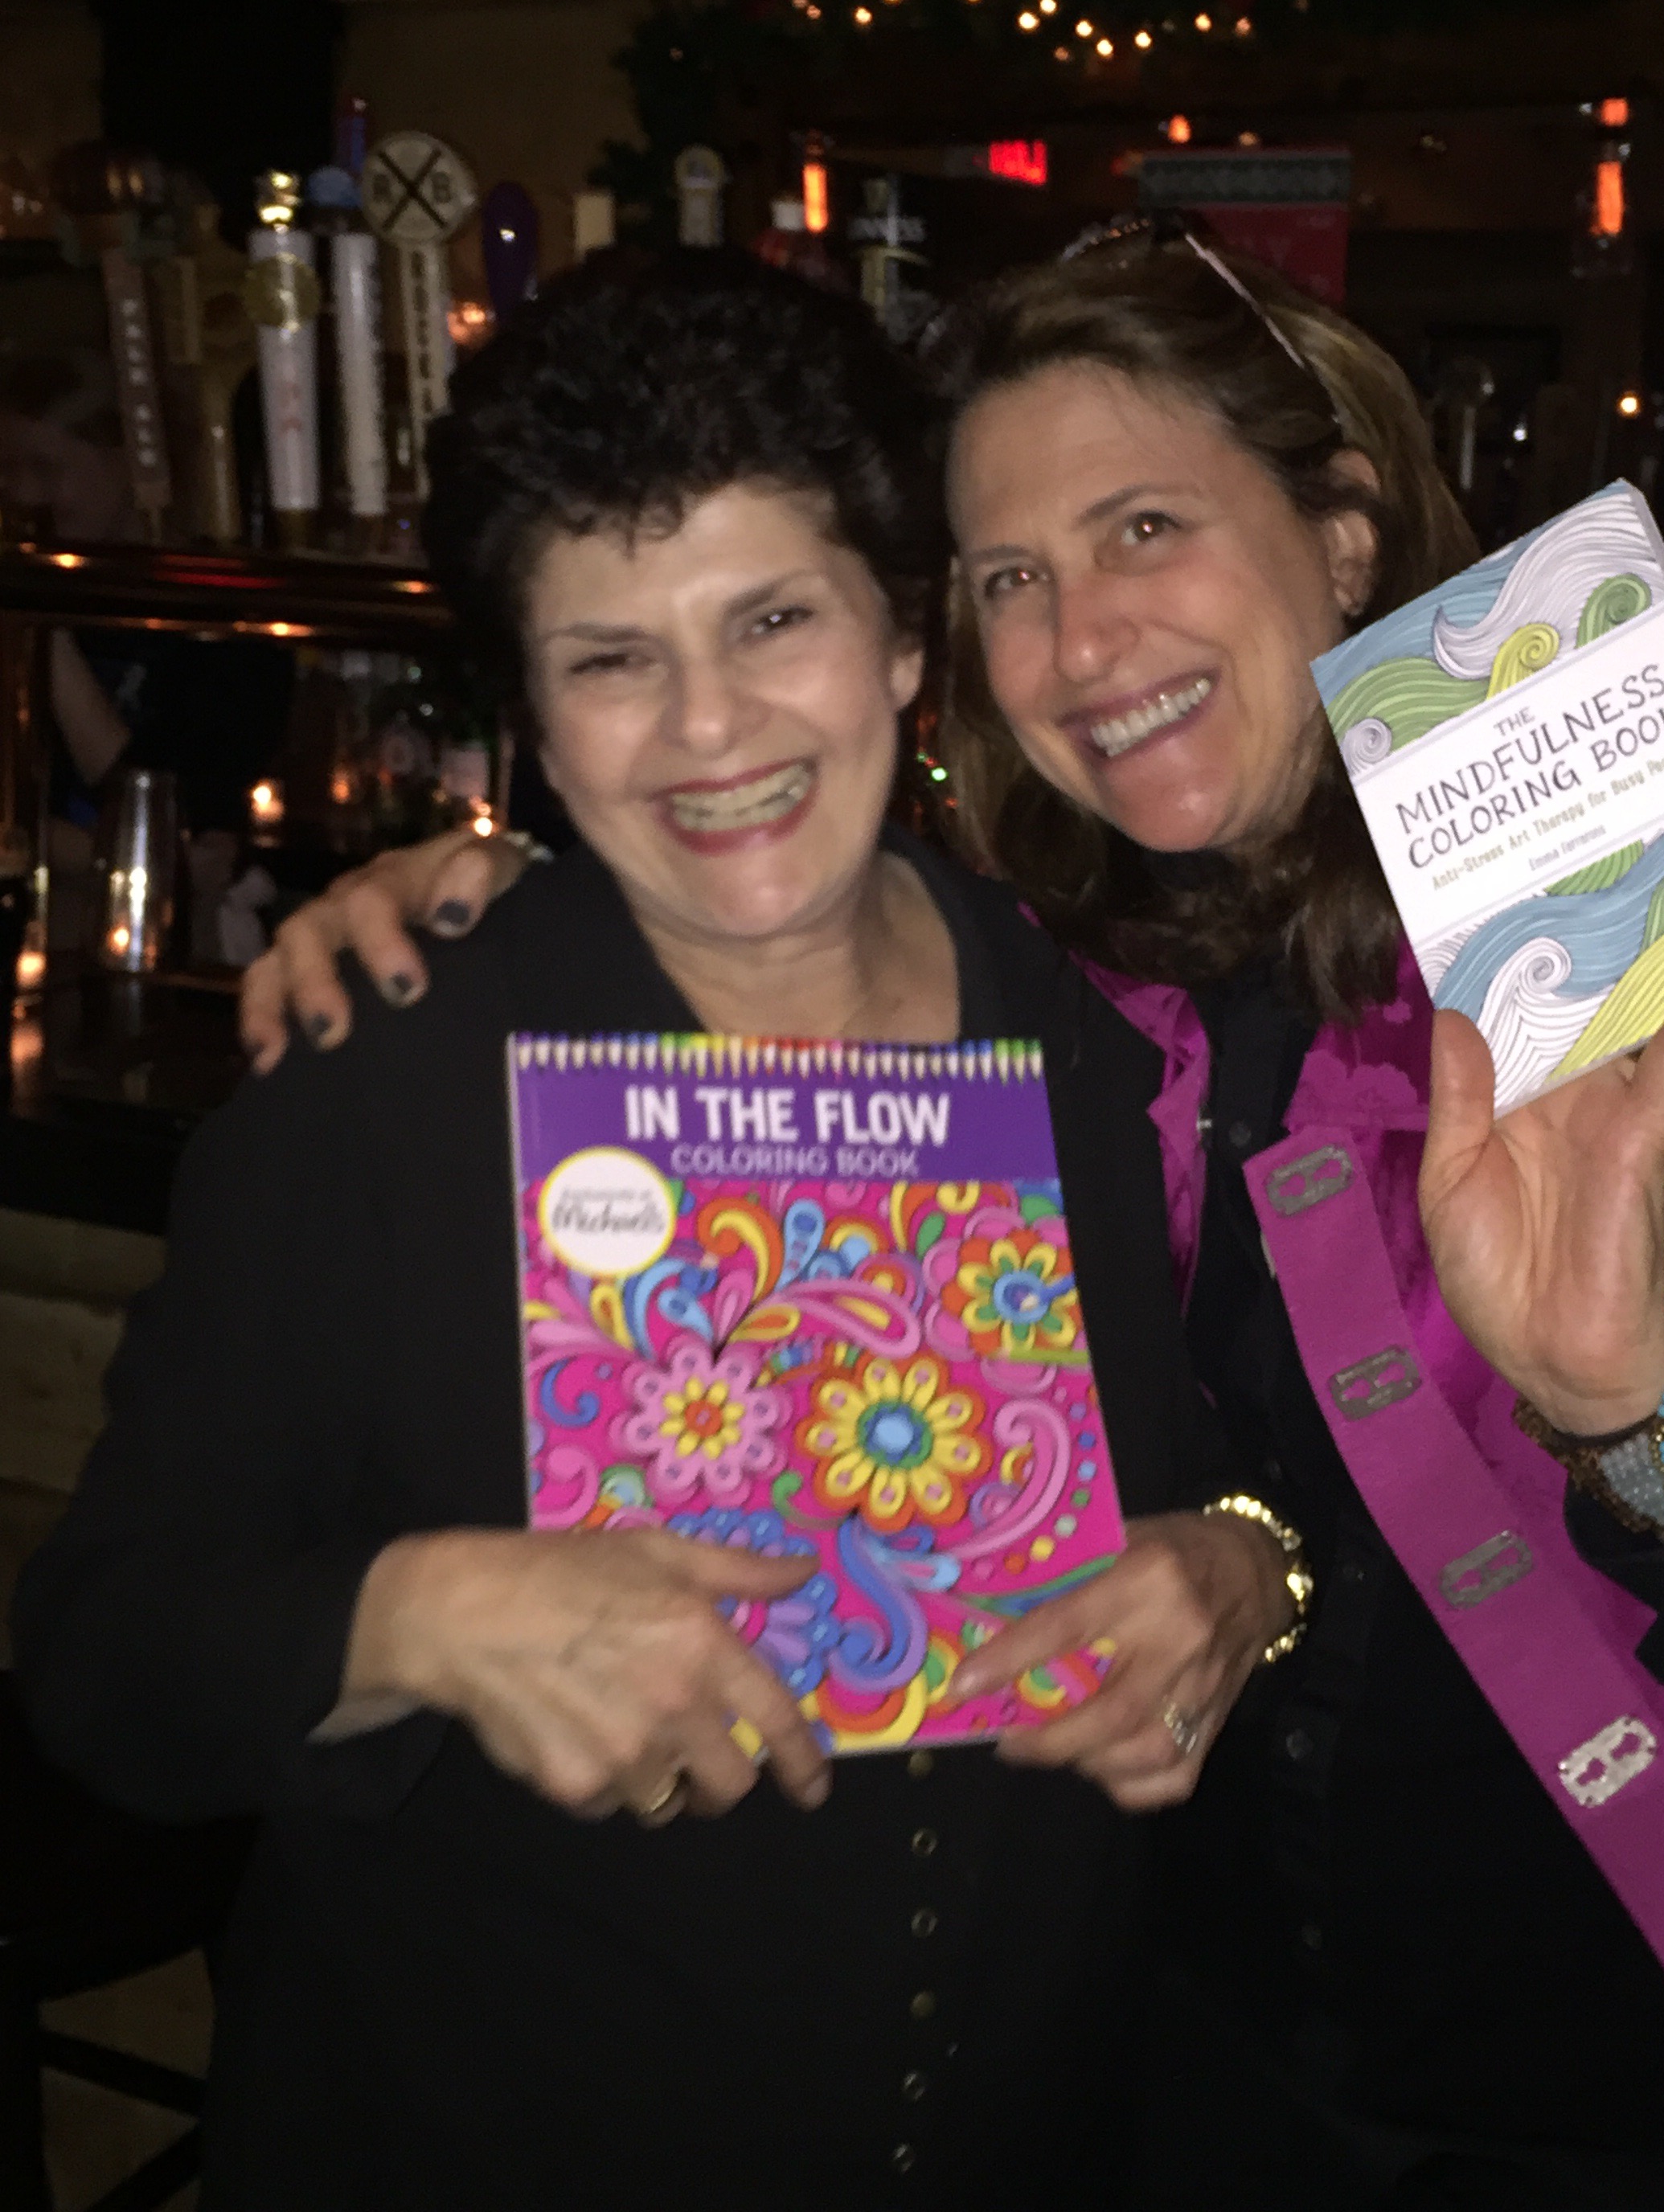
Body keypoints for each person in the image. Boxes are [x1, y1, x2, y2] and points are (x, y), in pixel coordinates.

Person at [232, 236, 1664, 2210]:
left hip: (1645, 2080)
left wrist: (1643, 1404)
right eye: (1007, 579)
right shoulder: (1035, 978)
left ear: (1341, 530)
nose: (1079, 641)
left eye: (1145, 526)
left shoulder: (1634, 896)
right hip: (1183, 2074)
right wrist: (487, 893)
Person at [12, 253, 1301, 2210]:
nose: (709, 727)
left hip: (1029, 2134)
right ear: (535, 717)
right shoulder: (395, 1072)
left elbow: (1233, 1465)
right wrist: (418, 1615)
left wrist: (1240, 1565)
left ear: (900, 641)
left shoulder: (1087, 1035)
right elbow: (105, 1656)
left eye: (772, 618)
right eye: (611, 659)